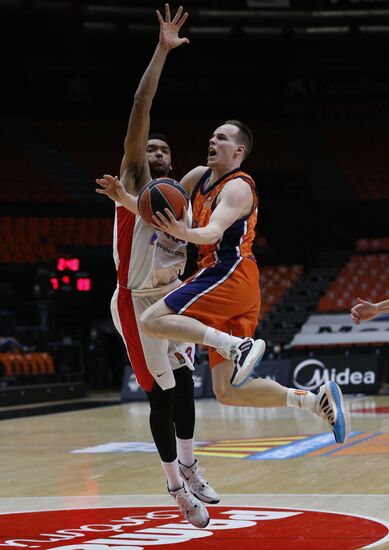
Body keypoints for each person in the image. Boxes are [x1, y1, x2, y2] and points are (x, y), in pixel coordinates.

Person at [135, 118, 349, 445]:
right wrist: (123, 195)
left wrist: (184, 234)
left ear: (238, 150)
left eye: (221, 138)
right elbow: (159, 202)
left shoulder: (238, 186)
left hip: (228, 271)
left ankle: (237, 346)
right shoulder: (196, 178)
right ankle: (313, 399)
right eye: (211, 136)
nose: (212, 141)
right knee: (227, 392)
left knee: (151, 320)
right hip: (235, 285)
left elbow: (213, 232)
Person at [95, 5, 217, 529]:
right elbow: (142, 104)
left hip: (170, 298)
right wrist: (163, 50)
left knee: (186, 386)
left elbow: (218, 167)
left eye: (163, 149)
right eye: (151, 149)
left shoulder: (181, 190)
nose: (156, 152)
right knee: (161, 395)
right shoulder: (135, 176)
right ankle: (174, 489)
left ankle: (190, 467)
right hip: (135, 299)